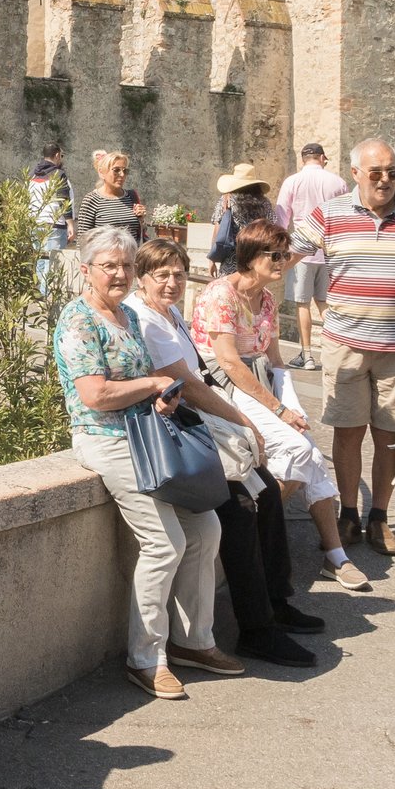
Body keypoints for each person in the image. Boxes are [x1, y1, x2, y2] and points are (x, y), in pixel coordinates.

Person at [53, 226, 243, 699]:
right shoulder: (78, 321)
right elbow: (95, 395)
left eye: (125, 265)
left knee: (206, 529)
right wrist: (153, 384)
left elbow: (139, 381)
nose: (119, 274)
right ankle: (145, 658)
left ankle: (193, 641)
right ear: (86, 271)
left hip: (148, 434)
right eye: (109, 266)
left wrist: (161, 397)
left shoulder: (126, 316)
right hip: (106, 439)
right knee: (164, 543)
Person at [128, 238, 324, 666]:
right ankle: (257, 629)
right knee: (239, 508)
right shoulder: (145, 318)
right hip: (178, 430)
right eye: (161, 275)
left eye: (179, 274)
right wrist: (244, 422)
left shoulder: (169, 313)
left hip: (199, 420)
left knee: (266, 490)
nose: (172, 282)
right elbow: (187, 383)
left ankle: (276, 601)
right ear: (141, 279)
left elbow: (198, 375)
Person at [192, 219, 372, 593]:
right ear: (250, 256)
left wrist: (292, 404)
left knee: (311, 455)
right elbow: (228, 363)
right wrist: (279, 410)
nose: (282, 261)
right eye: (274, 255)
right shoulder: (221, 295)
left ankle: (335, 555)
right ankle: (258, 528)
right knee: (301, 451)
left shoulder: (267, 299)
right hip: (224, 387)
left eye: (284, 254)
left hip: (259, 382)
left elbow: (275, 359)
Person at [287, 139, 395, 558]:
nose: (385, 180)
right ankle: (349, 514)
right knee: (348, 431)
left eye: (392, 172)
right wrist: (243, 281)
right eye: (376, 173)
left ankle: (380, 517)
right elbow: (288, 253)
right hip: (346, 344)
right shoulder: (330, 214)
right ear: (355, 173)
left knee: (390, 435)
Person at [274, 144, 348, 370]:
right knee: (324, 303)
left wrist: (280, 249)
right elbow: (346, 216)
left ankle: (307, 356)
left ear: (303, 160)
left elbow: (281, 217)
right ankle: (343, 347)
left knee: (302, 304)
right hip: (330, 252)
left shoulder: (292, 181)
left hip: (301, 252)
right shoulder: (338, 183)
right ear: (322, 158)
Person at [209, 163, 274, 276]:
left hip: (231, 260)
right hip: (256, 259)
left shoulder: (226, 200)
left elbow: (217, 230)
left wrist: (212, 259)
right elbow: (271, 229)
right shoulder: (265, 203)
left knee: (228, 286)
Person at [29, 142, 75, 295]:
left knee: (41, 261)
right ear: (56, 155)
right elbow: (64, 200)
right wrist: (70, 224)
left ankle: (40, 296)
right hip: (55, 224)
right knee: (52, 263)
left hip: (36, 224)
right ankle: (47, 297)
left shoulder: (33, 174)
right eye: (61, 155)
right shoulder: (58, 174)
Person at [75, 150, 148, 244]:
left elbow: (140, 233)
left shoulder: (132, 196)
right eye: (116, 170)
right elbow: (82, 240)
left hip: (132, 253)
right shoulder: (91, 200)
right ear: (101, 172)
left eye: (125, 171)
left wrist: (141, 220)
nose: (122, 175)